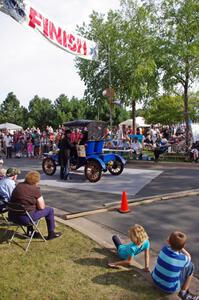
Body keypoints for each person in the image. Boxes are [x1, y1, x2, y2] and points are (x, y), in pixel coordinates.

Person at [9, 171, 62, 240]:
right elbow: (42, 207)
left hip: (12, 216)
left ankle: (30, 232)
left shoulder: (19, 185)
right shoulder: (35, 189)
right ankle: (51, 233)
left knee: (28, 209)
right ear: (37, 181)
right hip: (25, 219)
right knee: (50, 210)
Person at [152, 231, 199, 300]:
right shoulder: (183, 259)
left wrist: (173, 243)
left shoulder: (164, 249)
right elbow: (189, 257)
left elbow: (171, 246)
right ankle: (183, 292)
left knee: (170, 265)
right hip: (170, 288)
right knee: (191, 266)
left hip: (155, 280)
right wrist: (181, 247)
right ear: (183, 246)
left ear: (168, 242)